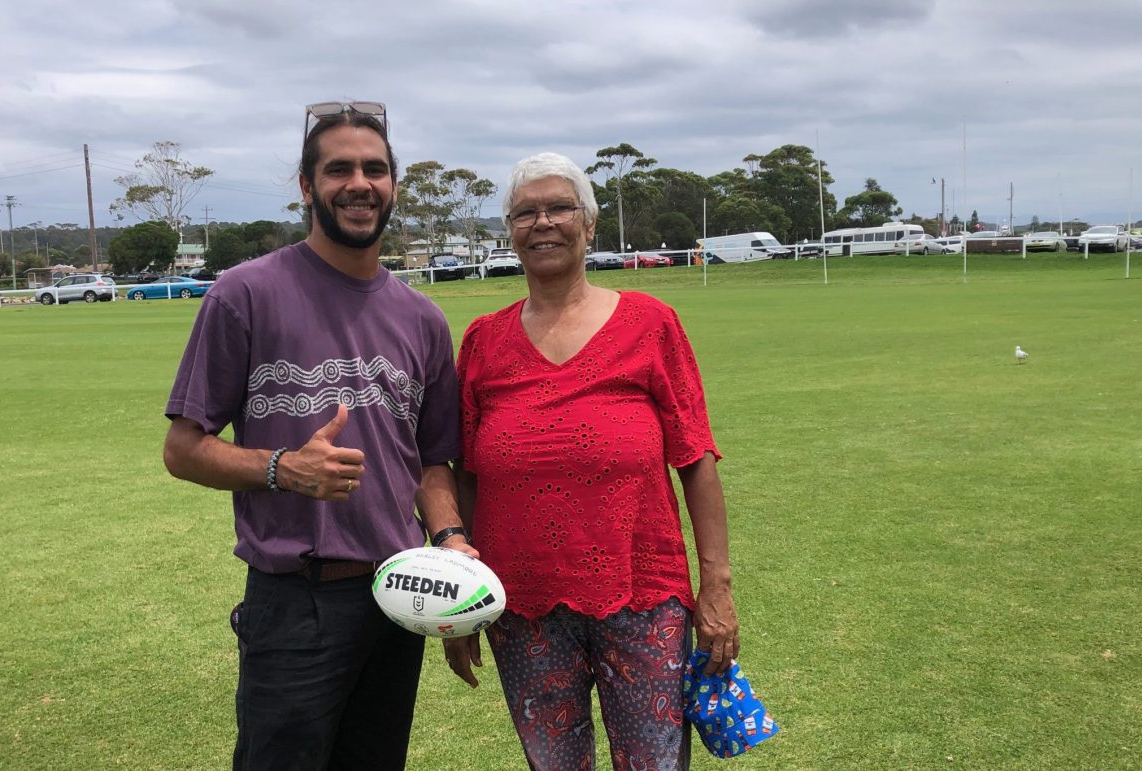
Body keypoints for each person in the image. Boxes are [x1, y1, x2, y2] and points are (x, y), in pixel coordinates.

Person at [163, 100, 472, 771]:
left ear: (392, 186)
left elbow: (431, 461)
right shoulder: (244, 294)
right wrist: (281, 467)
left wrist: (449, 542)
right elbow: (182, 448)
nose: (359, 183)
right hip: (296, 599)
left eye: (376, 169)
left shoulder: (423, 319)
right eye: (339, 169)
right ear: (308, 186)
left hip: (399, 597)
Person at [444, 152, 740, 770]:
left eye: (559, 208)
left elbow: (696, 459)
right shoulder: (481, 341)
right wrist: (462, 599)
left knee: (653, 762)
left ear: (589, 225)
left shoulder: (650, 324)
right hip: (523, 605)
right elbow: (464, 474)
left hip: (643, 596)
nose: (543, 222)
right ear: (510, 231)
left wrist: (716, 588)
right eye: (526, 213)